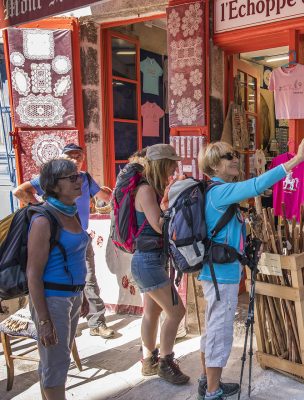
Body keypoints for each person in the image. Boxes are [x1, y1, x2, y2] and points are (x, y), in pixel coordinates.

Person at [197, 139, 304, 400]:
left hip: (220, 272)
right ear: (214, 165)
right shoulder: (219, 192)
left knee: (213, 328)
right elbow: (257, 185)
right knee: (219, 332)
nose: (235, 159)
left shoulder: (219, 192)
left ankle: (207, 380)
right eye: (228, 156)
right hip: (220, 275)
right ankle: (212, 391)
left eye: (235, 154)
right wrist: (295, 161)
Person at [14, 144, 115, 339]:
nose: (75, 159)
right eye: (71, 156)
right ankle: (61, 322)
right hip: (57, 240)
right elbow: (20, 191)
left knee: (88, 277)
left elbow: (104, 196)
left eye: (78, 156)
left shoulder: (84, 178)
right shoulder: (44, 220)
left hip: (79, 235)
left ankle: (95, 322)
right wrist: (44, 208)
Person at [27, 159, 90, 400]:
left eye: (78, 176)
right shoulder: (44, 220)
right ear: (54, 185)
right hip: (52, 300)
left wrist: (81, 294)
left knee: (55, 360)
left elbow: (74, 259)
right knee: (57, 363)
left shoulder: (70, 212)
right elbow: (33, 273)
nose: (78, 181)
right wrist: (43, 320)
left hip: (71, 296)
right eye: (71, 178)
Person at [131, 143, 190, 385]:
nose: (175, 167)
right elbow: (159, 226)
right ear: (162, 164)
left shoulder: (152, 189)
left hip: (150, 260)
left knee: (152, 312)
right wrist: (173, 202)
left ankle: (149, 361)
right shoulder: (146, 190)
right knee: (177, 311)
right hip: (148, 262)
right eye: (172, 163)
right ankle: (166, 362)